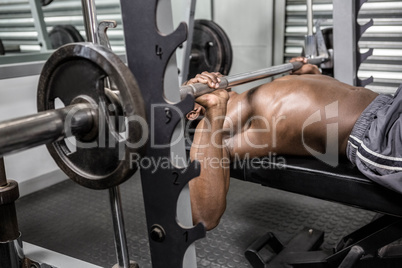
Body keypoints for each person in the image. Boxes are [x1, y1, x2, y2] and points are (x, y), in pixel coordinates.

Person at [185, 57, 402, 230]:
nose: (204, 77)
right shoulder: (222, 124)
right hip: (381, 135)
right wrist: (213, 111)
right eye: (193, 84)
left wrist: (315, 77)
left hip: (390, 105)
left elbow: (327, 104)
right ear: (194, 110)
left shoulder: (255, 92)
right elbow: (205, 217)